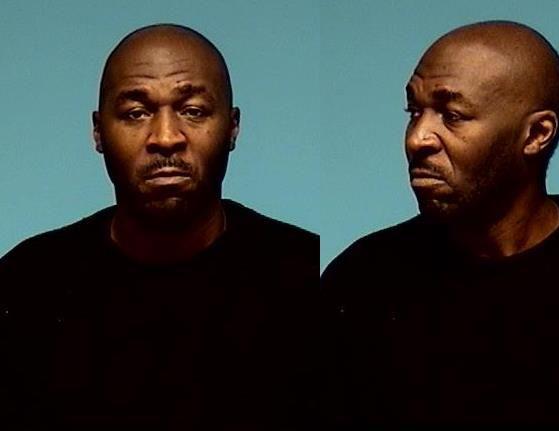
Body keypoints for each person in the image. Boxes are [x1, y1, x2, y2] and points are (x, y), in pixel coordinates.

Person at [322, 20, 559, 426]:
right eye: (414, 111)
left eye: (452, 115)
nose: (417, 138)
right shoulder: (361, 281)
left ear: (537, 134)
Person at [0, 24, 319, 429]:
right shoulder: (25, 285)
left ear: (233, 126)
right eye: (136, 113)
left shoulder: (306, 275)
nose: (166, 138)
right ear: (98, 131)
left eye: (193, 111)